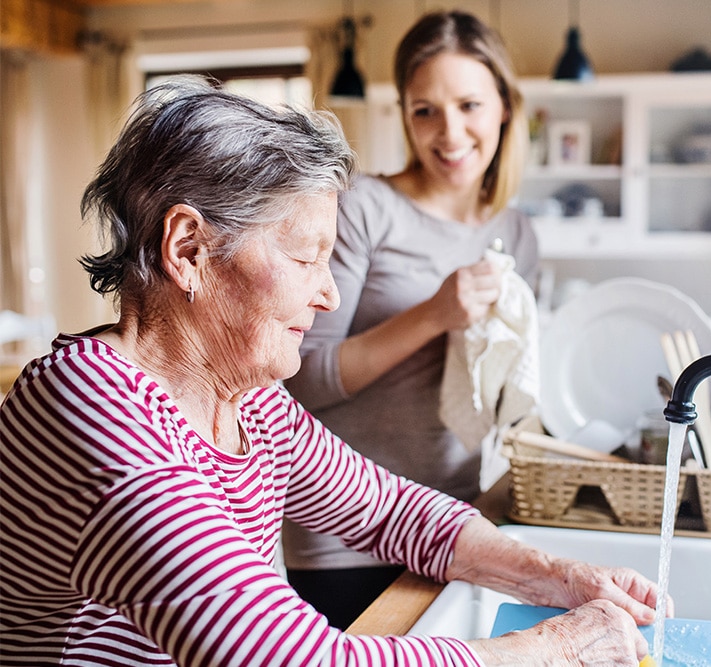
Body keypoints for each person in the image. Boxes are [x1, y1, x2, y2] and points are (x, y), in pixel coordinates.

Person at [0, 78, 664, 666]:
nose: (330, 294)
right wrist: (552, 651)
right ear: (189, 249)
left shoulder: (249, 398)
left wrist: (559, 575)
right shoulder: (92, 408)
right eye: (305, 257)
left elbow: (392, 511)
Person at [282, 9, 540, 627]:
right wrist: (432, 315)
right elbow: (300, 380)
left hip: (456, 519)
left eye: (470, 105)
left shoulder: (516, 231)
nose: (449, 133)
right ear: (404, 115)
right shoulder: (364, 207)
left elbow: (505, 376)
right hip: (344, 534)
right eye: (425, 110)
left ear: (504, 107)